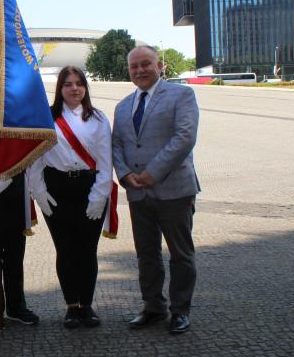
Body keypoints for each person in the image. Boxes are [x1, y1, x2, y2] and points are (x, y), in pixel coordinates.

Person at [112, 45, 200, 335]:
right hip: (138, 193)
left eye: (146, 64)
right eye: (134, 66)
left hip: (174, 190)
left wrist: (153, 173)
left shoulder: (182, 95)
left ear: (160, 65)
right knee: (146, 255)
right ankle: (153, 307)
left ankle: (180, 311)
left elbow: (185, 137)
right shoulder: (123, 106)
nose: (140, 70)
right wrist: (125, 175)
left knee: (181, 255)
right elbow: (116, 145)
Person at [28, 66, 112, 328]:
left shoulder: (98, 119)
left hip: (90, 187)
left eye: (79, 83)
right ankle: (71, 306)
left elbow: (105, 160)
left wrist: (100, 195)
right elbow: (34, 160)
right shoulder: (46, 118)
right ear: (60, 89)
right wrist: (38, 191)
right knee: (65, 249)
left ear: (85, 87)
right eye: (68, 84)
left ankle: (86, 305)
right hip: (57, 189)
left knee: (87, 250)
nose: (74, 88)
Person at [0, 174, 40, 329]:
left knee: (15, 250)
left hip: (16, 187)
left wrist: (11, 178)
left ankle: (16, 306)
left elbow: (25, 151)